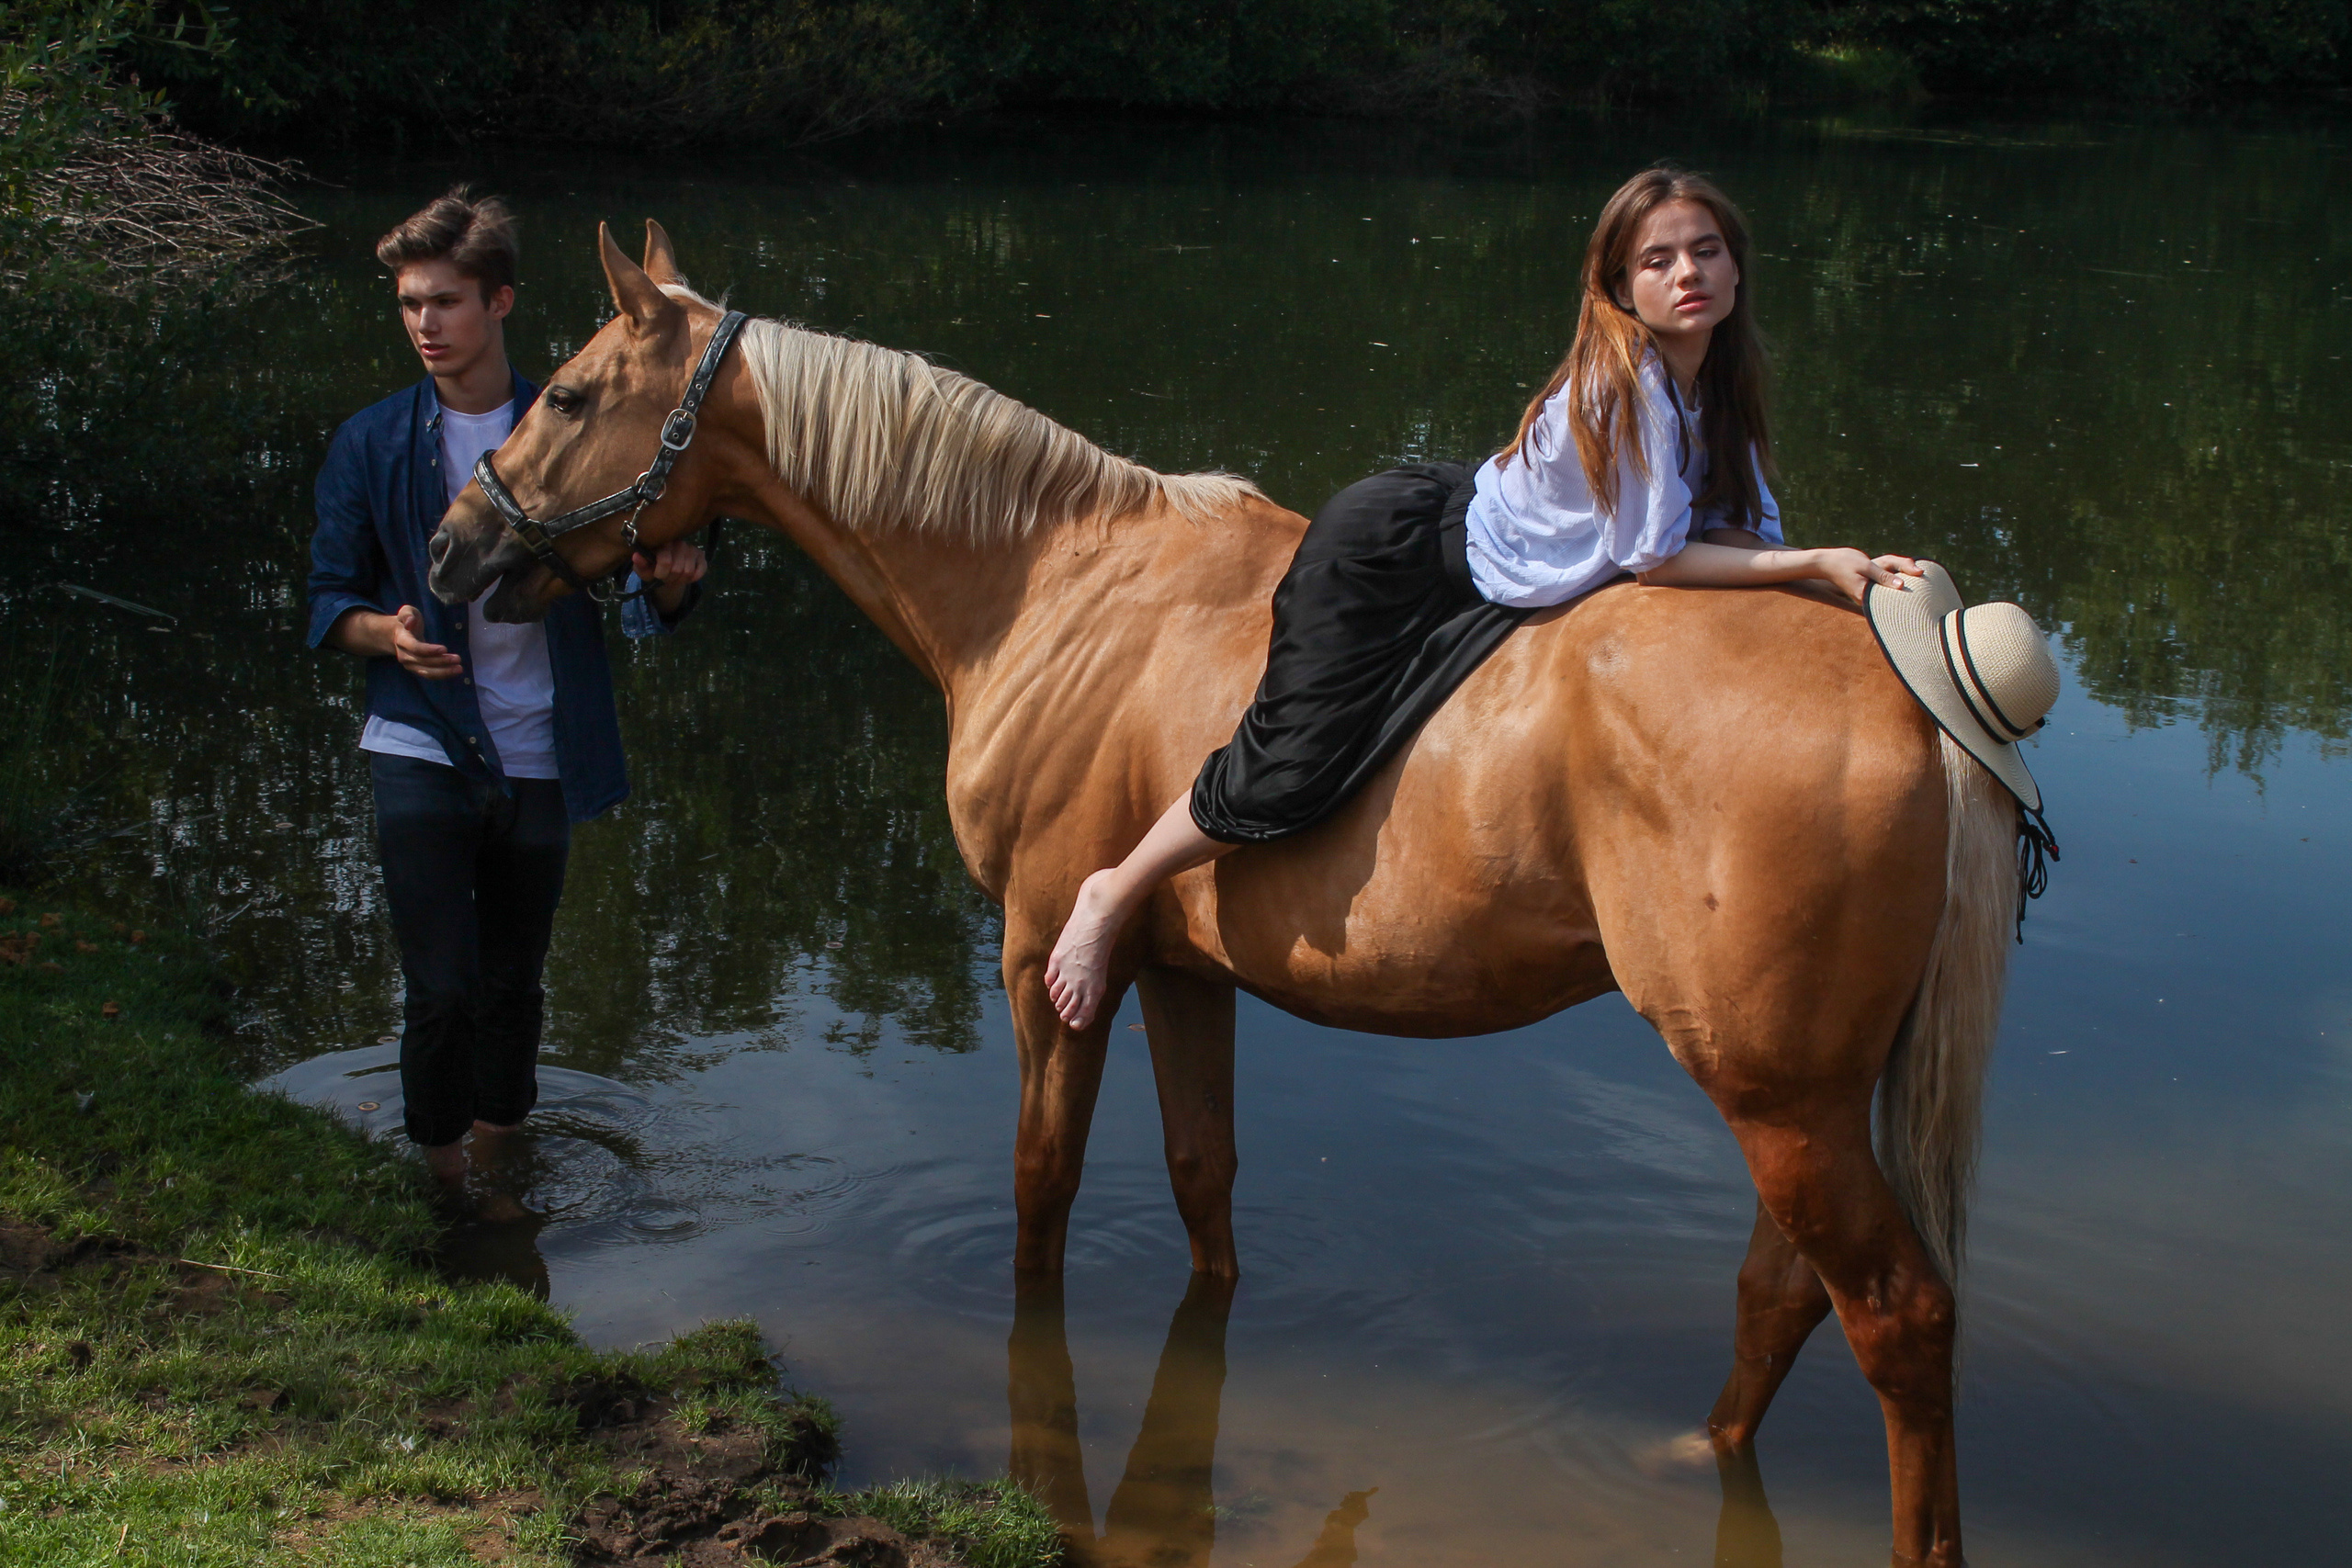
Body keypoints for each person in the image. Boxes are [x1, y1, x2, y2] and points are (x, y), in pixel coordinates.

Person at [1044, 164, 1925, 1030]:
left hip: (1496, 529)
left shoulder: (1719, 382)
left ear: (1737, 265)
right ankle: (1114, 890)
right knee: (1290, 764)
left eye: (1706, 250)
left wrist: (1825, 572)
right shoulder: (1628, 387)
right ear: (1619, 286)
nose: (1687, 273)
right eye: (1657, 260)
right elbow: (1657, 559)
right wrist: (1813, 560)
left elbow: (1731, 527)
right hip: (1392, 551)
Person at [306, 188, 709, 1190]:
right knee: (439, 990)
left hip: (541, 749)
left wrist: (664, 589)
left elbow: (630, 594)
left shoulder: (574, 427)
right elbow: (327, 606)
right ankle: (438, 1172)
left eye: (444, 301)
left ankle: (500, 1171)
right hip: (418, 742)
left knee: (513, 988)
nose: (425, 325)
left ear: (500, 302)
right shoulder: (368, 442)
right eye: (409, 305)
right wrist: (387, 634)